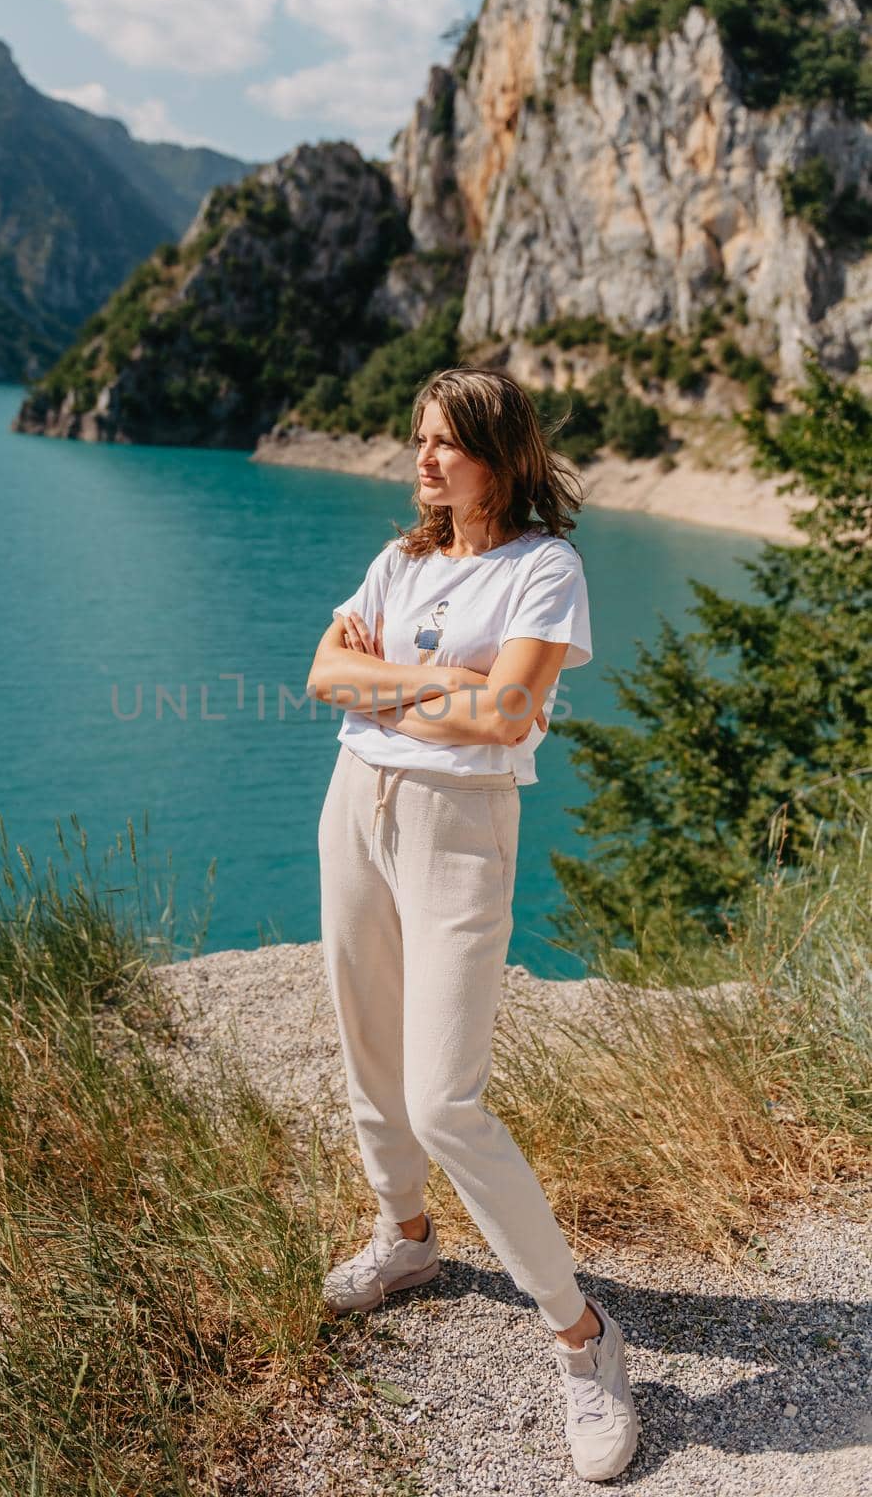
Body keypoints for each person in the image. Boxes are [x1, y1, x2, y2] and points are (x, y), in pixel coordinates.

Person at [306, 366, 639, 1484]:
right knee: (368, 1050)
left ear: (501, 450)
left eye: (446, 442)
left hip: (458, 827)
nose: (424, 460)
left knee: (444, 1094)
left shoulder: (547, 566)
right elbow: (320, 674)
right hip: (356, 805)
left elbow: (509, 714)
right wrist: (430, 677)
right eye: (417, 440)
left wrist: (387, 679)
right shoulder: (398, 561)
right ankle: (405, 1237)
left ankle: (582, 1336)